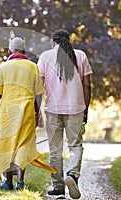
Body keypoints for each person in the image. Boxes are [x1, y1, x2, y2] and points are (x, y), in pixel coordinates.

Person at [0, 37, 56, 190]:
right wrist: (36, 111)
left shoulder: (3, 67)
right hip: (27, 111)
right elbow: (38, 93)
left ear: (9, 51)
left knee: (8, 145)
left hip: (7, 112)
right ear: (24, 51)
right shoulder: (33, 67)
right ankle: (20, 182)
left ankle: (7, 182)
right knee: (24, 145)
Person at [37, 29, 92, 199]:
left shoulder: (45, 56)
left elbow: (38, 86)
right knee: (75, 145)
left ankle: (58, 187)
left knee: (55, 150)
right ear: (69, 41)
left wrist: (36, 109)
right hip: (76, 108)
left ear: (53, 42)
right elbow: (87, 85)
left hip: (52, 109)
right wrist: (86, 108)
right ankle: (73, 175)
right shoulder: (80, 55)